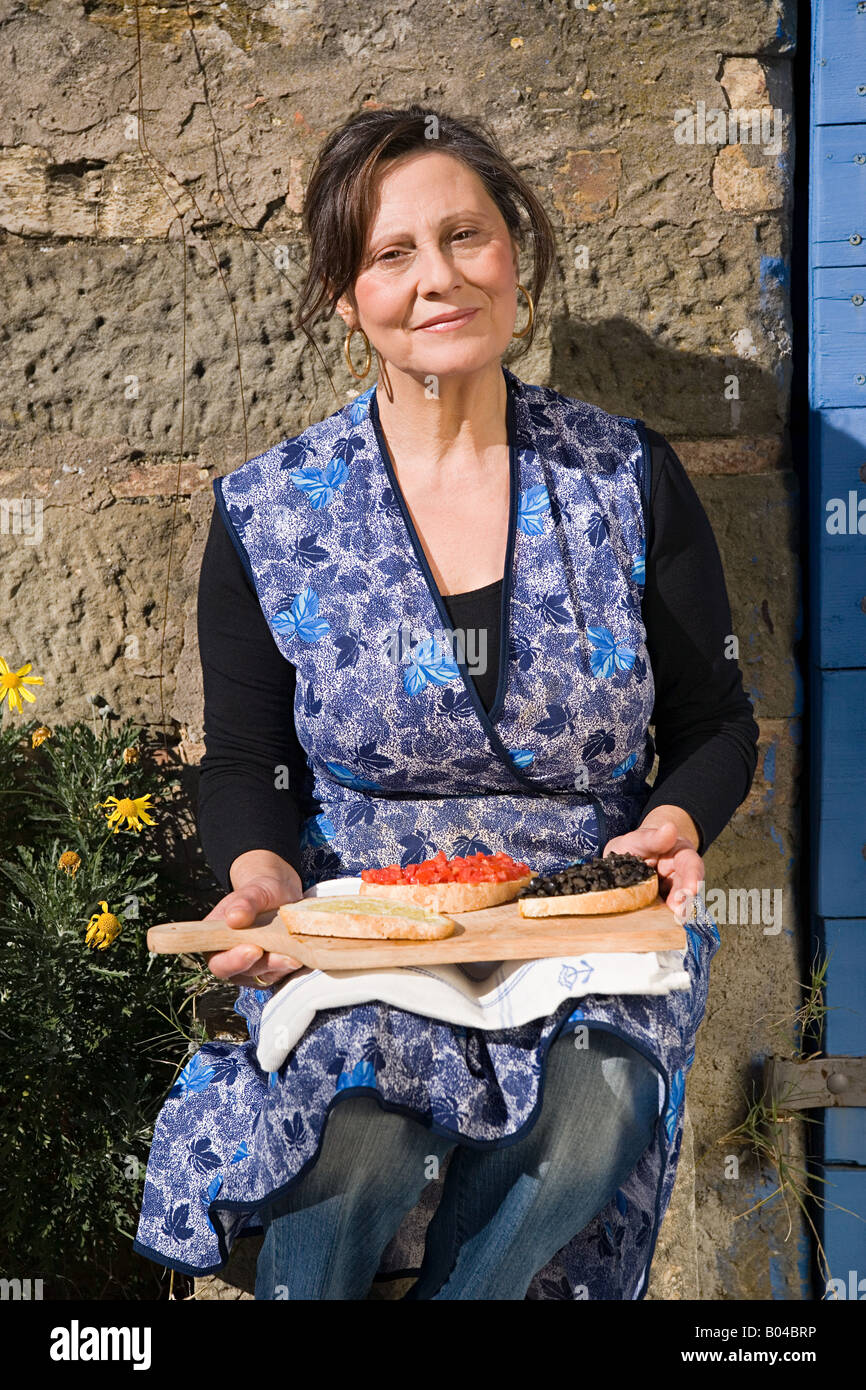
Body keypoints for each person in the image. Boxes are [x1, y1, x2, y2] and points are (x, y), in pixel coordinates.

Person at [133, 105, 759, 1300]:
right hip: (371, 921)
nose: (437, 279)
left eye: (465, 235)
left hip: (581, 926)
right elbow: (247, 756)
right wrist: (263, 878)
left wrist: (670, 827)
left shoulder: (622, 477)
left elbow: (714, 722)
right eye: (389, 254)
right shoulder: (271, 511)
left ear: (513, 249)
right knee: (356, 1129)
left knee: (596, 1107)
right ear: (342, 295)